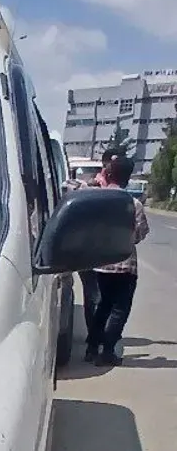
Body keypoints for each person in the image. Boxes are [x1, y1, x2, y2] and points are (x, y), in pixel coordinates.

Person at [85, 154, 149, 367]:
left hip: (99, 264)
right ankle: (108, 351)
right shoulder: (134, 204)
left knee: (102, 306)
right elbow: (140, 234)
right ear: (128, 178)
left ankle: (92, 348)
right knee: (119, 309)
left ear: (107, 173)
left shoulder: (95, 200)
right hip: (125, 266)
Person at [80, 148, 115, 335]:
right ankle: (94, 338)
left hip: (107, 253)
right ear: (106, 164)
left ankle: (96, 336)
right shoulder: (92, 186)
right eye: (114, 164)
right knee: (94, 295)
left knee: (103, 297)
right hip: (89, 251)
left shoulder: (116, 189)